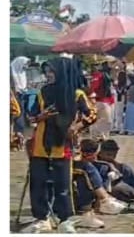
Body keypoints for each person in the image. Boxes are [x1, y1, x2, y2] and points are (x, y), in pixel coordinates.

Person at [23, 58, 98, 233]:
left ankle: (65, 218)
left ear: (62, 73)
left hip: (63, 145)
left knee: (63, 185)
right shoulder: (43, 92)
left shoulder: (77, 94)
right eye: (46, 72)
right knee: (38, 183)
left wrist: (76, 127)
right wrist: (40, 116)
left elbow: (92, 114)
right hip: (40, 145)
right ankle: (42, 218)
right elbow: (31, 116)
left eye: (52, 71)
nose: (48, 75)